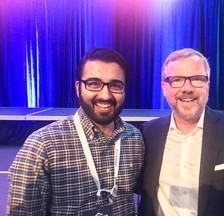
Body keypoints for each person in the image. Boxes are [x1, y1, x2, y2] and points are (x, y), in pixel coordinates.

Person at [138, 48, 224, 216]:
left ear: (208, 86)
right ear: (164, 88)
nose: (187, 88)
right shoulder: (149, 132)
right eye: (177, 80)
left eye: (197, 79)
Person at [7, 48, 145, 215]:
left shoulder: (135, 139)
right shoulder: (41, 145)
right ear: (78, 87)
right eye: (94, 83)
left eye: (115, 85)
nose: (105, 95)